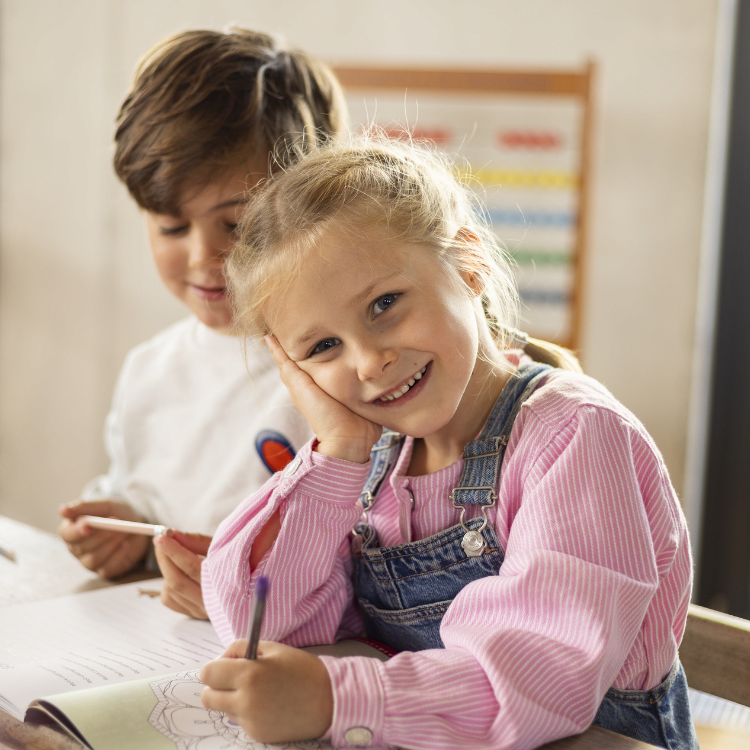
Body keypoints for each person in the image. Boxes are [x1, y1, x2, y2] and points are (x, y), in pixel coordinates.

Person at [198, 135, 697, 750]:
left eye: (384, 304)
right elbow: (265, 626)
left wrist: (338, 698)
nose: (369, 361)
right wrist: (339, 449)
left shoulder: (574, 436)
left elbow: (541, 679)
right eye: (322, 347)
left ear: (468, 263)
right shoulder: (375, 456)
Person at [58, 28, 347, 619]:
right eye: (169, 226)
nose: (199, 257)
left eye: (236, 224)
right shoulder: (150, 370)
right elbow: (145, 496)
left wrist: (242, 583)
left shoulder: (347, 369)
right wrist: (126, 531)